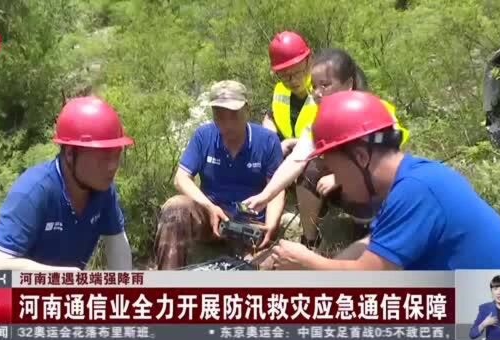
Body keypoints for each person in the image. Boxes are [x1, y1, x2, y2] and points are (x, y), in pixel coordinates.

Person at [269, 90, 500, 323]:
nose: (338, 181)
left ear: (360, 156)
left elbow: (365, 282)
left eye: (335, 168)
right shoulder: (412, 177)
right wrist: (318, 269)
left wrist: (307, 263)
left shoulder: (416, 191)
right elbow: (371, 246)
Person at [244, 48, 409, 247]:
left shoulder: (374, 111)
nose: (316, 93)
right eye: (313, 86)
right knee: (310, 169)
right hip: (348, 185)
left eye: (325, 85)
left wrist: (339, 178)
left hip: (381, 189)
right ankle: (311, 240)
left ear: (348, 84)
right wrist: (265, 195)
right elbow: (296, 160)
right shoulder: (321, 120)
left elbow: (386, 165)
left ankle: (372, 232)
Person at [0, 96, 134, 271]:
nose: (113, 166)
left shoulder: (102, 190)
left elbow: (117, 244)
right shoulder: (33, 191)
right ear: (70, 154)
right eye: (104, 157)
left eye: (117, 155)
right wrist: (64, 277)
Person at [154, 80, 285, 270]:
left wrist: (271, 225)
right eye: (219, 115)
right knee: (175, 207)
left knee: (264, 266)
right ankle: (166, 286)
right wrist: (208, 207)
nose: (226, 123)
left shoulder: (266, 140)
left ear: (247, 110)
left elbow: (277, 188)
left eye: (233, 115)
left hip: (249, 222)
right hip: (211, 216)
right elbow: (181, 178)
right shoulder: (204, 136)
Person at [261, 31, 322, 247]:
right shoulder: (281, 91)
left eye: (297, 72)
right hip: (289, 156)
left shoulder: (323, 88)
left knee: (309, 169)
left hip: (317, 156)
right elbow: (270, 117)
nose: (292, 80)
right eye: (285, 75)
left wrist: (296, 145)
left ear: (309, 59)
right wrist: (271, 142)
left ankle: (310, 241)